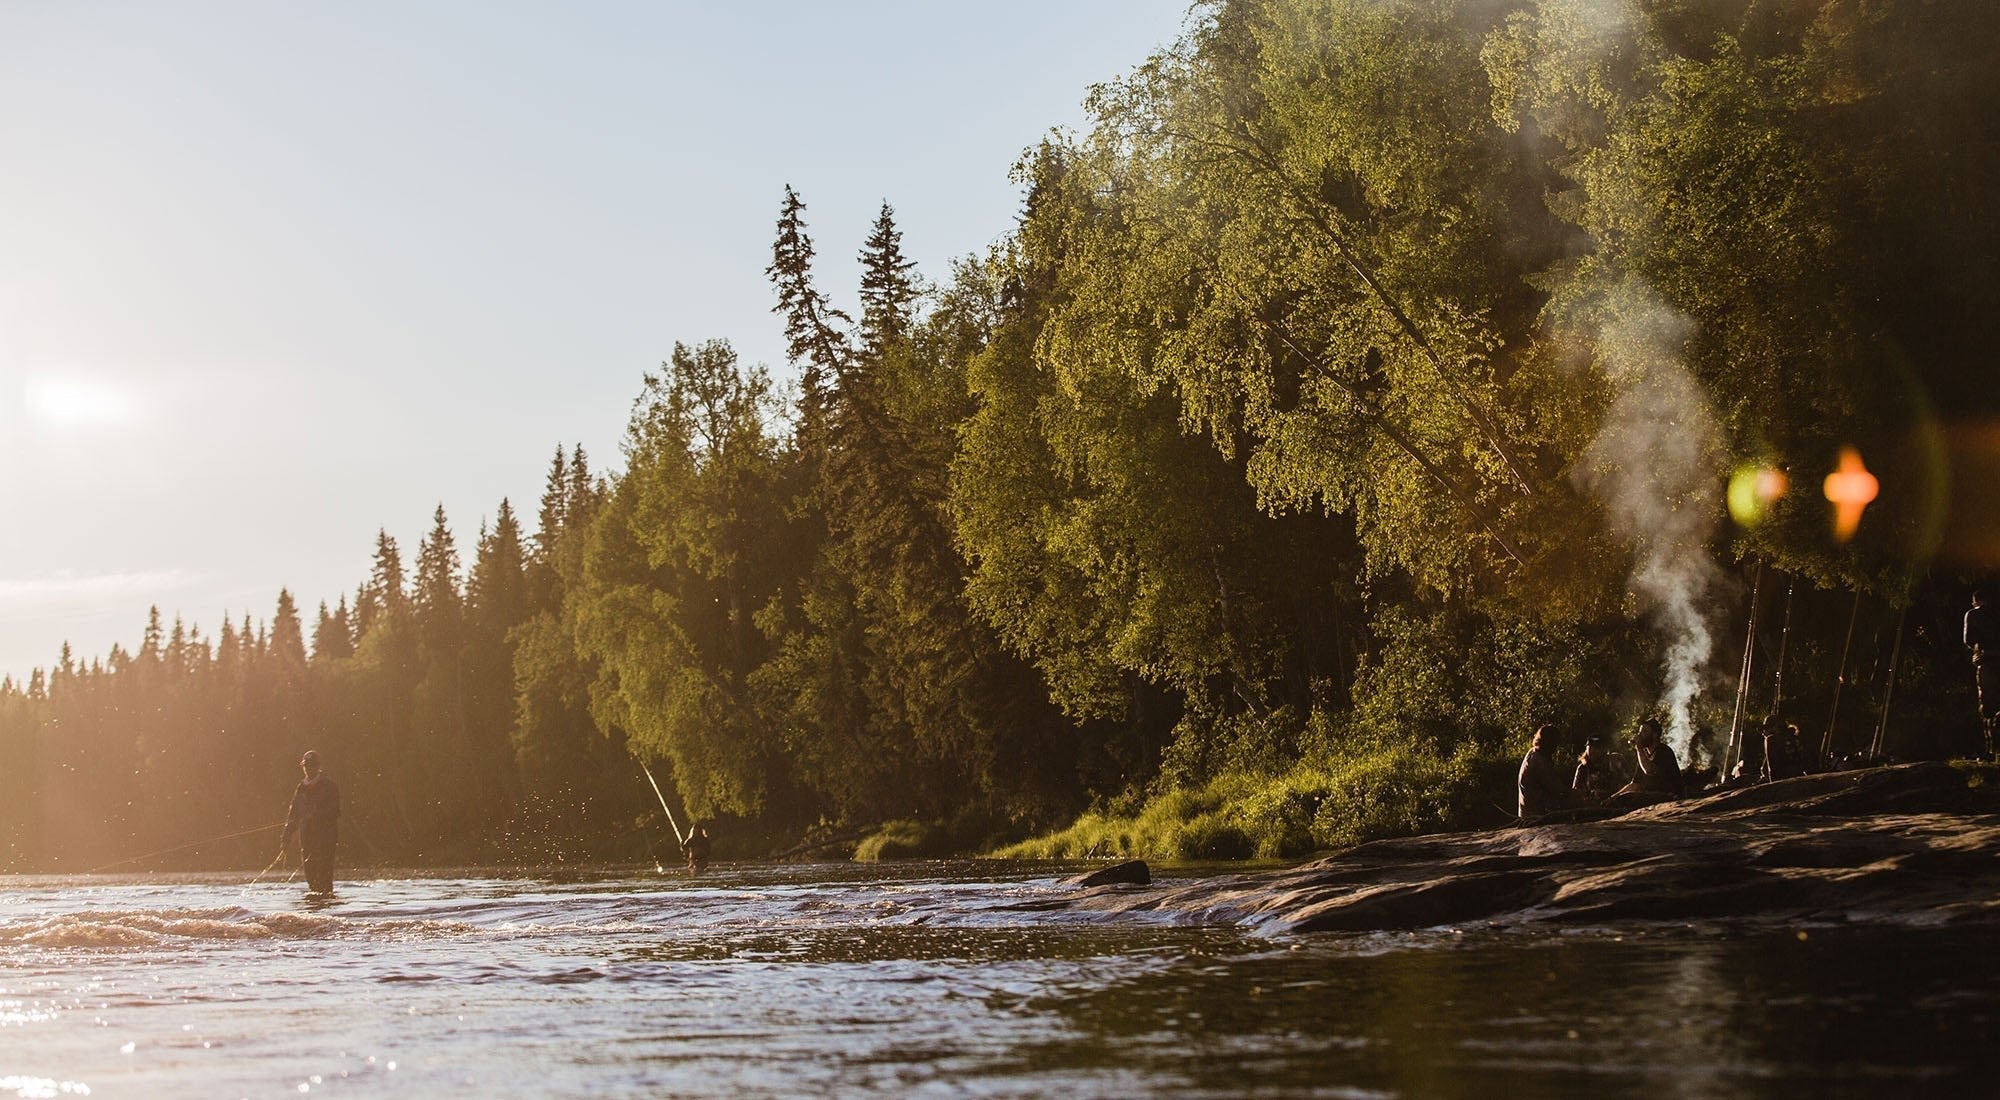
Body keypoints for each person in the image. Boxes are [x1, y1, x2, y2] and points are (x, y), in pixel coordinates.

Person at [279, 750, 340, 895]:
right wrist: (285, 838)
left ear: (319, 767)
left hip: (326, 838)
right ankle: (315, 901)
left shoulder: (329, 786)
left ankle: (326, 901)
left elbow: (335, 811)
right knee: (310, 873)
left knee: (324, 873)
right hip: (307, 837)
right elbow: (293, 814)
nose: (309, 769)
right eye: (306, 766)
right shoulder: (301, 788)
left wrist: (315, 815)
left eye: (312, 765)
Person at [1967, 588, 1997, 758]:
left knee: (1987, 705)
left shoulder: (1973, 615)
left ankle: (1991, 749)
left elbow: (1968, 640)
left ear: (1975, 601)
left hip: (1986, 661)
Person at [1623, 718, 1684, 798]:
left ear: (1655, 735)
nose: (1640, 735)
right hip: (1654, 797)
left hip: (1670, 796)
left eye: (1644, 732)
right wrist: (1612, 798)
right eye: (1639, 732)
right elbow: (1635, 784)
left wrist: (1639, 748)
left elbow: (1649, 770)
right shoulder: (1644, 755)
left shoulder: (1664, 751)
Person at [1517, 723, 1569, 817]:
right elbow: (1557, 789)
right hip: (1535, 815)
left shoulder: (1533, 753)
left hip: (1529, 812)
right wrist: (1578, 794)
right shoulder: (1538, 762)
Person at [1572, 736, 1617, 800]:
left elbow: (1626, 784)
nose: (1593, 751)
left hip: (1614, 801)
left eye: (1597, 748)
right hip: (1591, 803)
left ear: (1604, 749)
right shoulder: (1583, 768)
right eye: (1590, 748)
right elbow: (1576, 791)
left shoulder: (1613, 762)